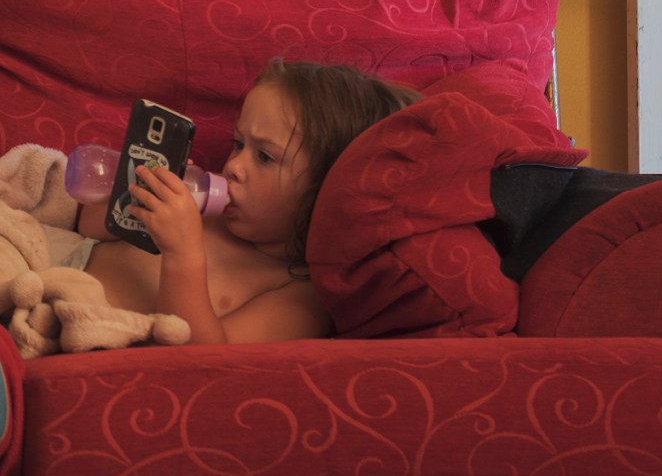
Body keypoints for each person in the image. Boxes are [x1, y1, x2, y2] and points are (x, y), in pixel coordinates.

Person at [76, 60, 418, 343]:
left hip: (90, 330)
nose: (234, 167)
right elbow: (85, 224)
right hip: (57, 266)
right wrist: (136, 191)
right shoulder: (208, 213)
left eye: (265, 157)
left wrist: (183, 255)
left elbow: (208, 361)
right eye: (239, 143)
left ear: (328, 190)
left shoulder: (299, 296)